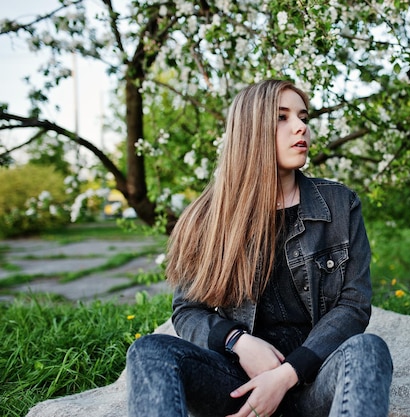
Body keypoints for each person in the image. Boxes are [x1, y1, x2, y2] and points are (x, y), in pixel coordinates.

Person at [126, 79, 393, 417]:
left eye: (303, 117)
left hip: (315, 379)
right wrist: (237, 341)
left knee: (368, 349)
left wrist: (286, 375)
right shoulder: (208, 218)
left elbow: (354, 305)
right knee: (149, 351)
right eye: (282, 117)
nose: (301, 127)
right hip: (239, 384)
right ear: (251, 130)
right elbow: (187, 310)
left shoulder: (340, 204)